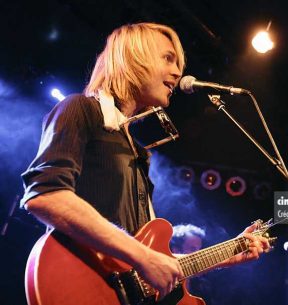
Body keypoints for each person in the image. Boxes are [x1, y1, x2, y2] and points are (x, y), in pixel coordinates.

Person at [20, 22, 270, 301]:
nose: (178, 72)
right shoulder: (80, 109)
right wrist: (144, 257)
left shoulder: (139, 151)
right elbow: (45, 195)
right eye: (168, 58)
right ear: (133, 57)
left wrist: (227, 254)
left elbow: (146, 257)